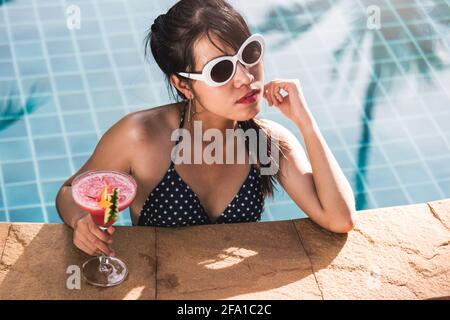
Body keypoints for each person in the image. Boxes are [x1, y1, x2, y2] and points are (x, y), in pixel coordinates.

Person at [56, 0, 356, 257]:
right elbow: (70, 191)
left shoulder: (265, 143)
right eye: (221, 69)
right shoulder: (141, 136)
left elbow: (339, 219)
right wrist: (79, 220)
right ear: (183, 84)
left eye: (249, 54)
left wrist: (306, 123)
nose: (244, 77)